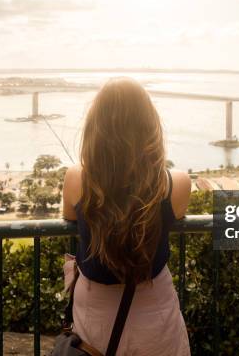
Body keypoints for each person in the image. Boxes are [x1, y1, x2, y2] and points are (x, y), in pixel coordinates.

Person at [62, 77, 191, 355]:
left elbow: (69, 215)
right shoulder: (175, 184)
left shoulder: (77, 179)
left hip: (94, 310)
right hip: (154, 307)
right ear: (150, 126)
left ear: (96, 128)